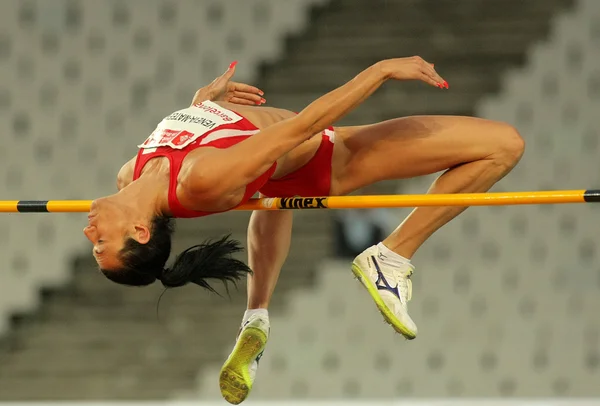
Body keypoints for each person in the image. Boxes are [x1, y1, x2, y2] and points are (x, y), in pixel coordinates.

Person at [84, 57, 524, 404]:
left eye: (95, 244)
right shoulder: (199, 180)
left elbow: (192, 137)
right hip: (328, 156)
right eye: (101, 244)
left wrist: (204, 102)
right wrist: (381, 70)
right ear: (141, 231)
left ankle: (256, 317)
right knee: (503, 146)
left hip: (268, 173)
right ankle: (390, 256)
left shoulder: (131, 175)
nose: (90, 235)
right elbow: (304, 126)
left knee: (269, 194)